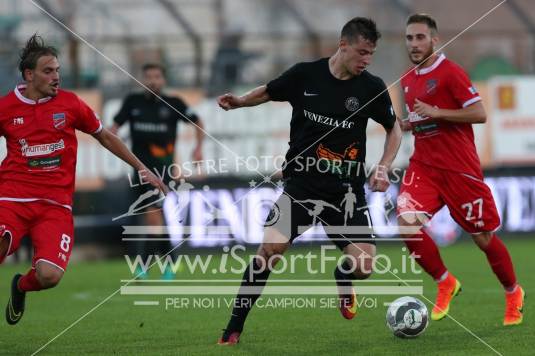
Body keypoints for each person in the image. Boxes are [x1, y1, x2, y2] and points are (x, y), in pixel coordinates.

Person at [217, 17, 402, 344]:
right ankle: (232, 329)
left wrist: (385, 165)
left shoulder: (371, 87)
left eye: (371, 54)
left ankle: (343, 276)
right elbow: (270, 91)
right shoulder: (306, 74)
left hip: (346, 192)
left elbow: (394, 127)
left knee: (364, 267)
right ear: (343, 45)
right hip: (300, 187)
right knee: (268, 251)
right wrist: (240, 102)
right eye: (361, 52)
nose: (366, 60)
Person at [0, 34, 166, 325]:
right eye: (48, 71)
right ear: (29, 74)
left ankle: (20, 286)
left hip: (55, 206)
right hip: (12, 198)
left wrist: (142, 168)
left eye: (58, 70)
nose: (56, 77)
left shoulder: (70, 104)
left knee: (49, 276)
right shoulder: (6, 108)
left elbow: (105, 136)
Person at [397, 14, 524, 326]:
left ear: (434, 40)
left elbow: (479, 113)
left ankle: (512, 292)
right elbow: (421, 120)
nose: (414, 44)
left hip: (458, 169)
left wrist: (437, 112)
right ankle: (445, 282)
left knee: (483, 238)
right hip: (424, 167)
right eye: (410, 38)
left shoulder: (451, 72)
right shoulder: (407, 80)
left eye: (420, 38)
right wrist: (407, 124)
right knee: (406, 225)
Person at [111, 63, 204, 279]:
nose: (153, 80)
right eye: (149, 76)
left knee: (154, 219)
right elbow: (113, 129)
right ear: (142, 80)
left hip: (163, 173)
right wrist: (112, 138)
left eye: (157, 76)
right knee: (155, 219)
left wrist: (198, 147)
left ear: (163, 80)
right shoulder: (132, 103)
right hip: (140, 173)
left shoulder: (173, 103)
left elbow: (198, 122)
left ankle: (143, 266)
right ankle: (171, 261)